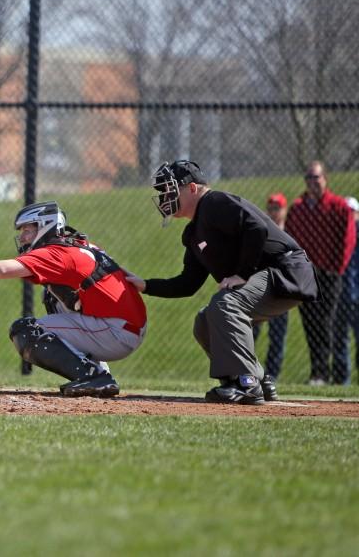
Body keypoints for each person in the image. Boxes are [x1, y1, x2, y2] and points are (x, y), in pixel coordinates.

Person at [128, 160, 317, 404]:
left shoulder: (214, 203)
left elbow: (256, 226)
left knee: (225, 304)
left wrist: (242, 274)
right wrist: (145, 285)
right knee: (204, 321)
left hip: (286, 271)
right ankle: (254, 379)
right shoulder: (194, 232)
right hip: (270, 277)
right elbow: (188, 284)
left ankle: (246, 384)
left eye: (170, 189)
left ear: (193, 188)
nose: (165, 196)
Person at [0, 201, 147, 397]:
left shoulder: (55, 253)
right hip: (126, 325)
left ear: (45, 227)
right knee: (52, 297)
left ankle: (95, 376)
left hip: (118, 331)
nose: (22, 237)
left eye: (27, 230)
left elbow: (1, 270)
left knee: (25, 331)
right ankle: (98, 373)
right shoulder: (79, 245)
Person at [284, 161, 356, 385]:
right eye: (309, 178)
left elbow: (348, 240)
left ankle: (331, 374)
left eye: (316, 177)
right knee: (310, 323)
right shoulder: (299, 207)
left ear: (325, 179)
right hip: (305, 274)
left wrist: (337, 268)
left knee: (326, 322)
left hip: (329, 273)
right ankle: (318, 373)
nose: (312, 182)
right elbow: (290, 239)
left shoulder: (338, 207)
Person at [250, 192, 291, 381]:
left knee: (277, 336)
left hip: (281, 292)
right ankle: (250, 371)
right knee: (250, 333)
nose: (273, 212)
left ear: (284, 210)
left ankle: (272, 376)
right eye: (271, 208)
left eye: (277, 208)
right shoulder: (263, 232)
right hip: (260, 290)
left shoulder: (290, 235)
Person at [330, 196, 359, 385]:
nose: (348, 215)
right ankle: (343, 381)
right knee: (339, 341)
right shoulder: (337, 233)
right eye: (345, 212)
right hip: (340, 296)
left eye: (352, 212)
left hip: (356, 295)